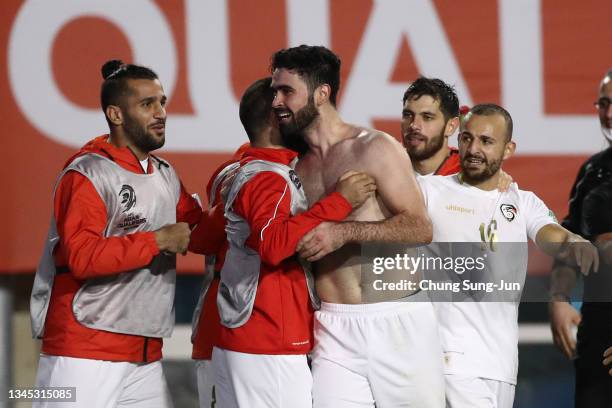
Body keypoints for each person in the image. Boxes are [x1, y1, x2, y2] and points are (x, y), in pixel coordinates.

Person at [272, 45, 445, 408]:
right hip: (333, 328)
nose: (277, 101)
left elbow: (419, 227)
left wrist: (344, 231)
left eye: (287, 90)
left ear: (322, 94)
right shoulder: (294, 167)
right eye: (275, 91)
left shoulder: (374, 148)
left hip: (399, 321)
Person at [29, 60, 202, 407]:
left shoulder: (164, 173)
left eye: (162, 102)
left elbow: (197, 230)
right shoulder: (88, 174)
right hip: (83, 353)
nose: (161, 113)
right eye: (147, 104)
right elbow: (82, 257)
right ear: (116, 114)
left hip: (144, 356)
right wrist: (158, 241)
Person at [417, 103, 598, 408]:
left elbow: (548, 233)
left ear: (508, 149)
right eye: (466, 138)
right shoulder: (428, 191)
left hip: (500, 364)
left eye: (486, 142)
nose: (473, 149)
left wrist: (572, 242)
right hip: (450, 360)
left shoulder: (522, 201)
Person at [211, 77, 376, 408]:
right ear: (277, 117)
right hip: (267, 339)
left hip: (246, 333)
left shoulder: (247, 171)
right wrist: (339, 202)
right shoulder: (268, 178)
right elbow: (273, 245)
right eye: (293, 111)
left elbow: (206, 238)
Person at [548, 69, 612, 407]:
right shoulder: (592, 172)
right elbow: (568, 243)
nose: (609, 114)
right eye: (603, 104)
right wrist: (559, 298)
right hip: (597, 336)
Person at [189, 142, 248, 408]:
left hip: (289, 335)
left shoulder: (307, 165)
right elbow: (200, 240)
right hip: (225, 329)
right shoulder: (234, 175)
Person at [401, 76, 461, 176]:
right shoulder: (380, 166)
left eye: (427, 117)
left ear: (451, 126)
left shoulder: (472, 174)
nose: (414, 125)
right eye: (408, 115)